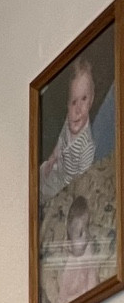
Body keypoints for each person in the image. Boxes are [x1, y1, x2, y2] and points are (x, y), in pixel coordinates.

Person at [41, 56, 101, 200]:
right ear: (67, 104)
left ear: (91, 99)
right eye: (74, 102)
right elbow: (62, 139)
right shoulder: (69, 120)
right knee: (40, 172)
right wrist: (53, 157)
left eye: (84, 99)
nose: (78, 109)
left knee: (46, 195)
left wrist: (70, 194)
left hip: (66, 185)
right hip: (58, 167)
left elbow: (81, 180)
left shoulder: (87, 146)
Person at [53, 195, 108, 303]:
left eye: (87, 228)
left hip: (89, 300)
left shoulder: (88, 249)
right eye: (80, 234)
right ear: (69, 245)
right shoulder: (68, 264)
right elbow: (62, 295)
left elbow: (92, 275)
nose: (86, 235)